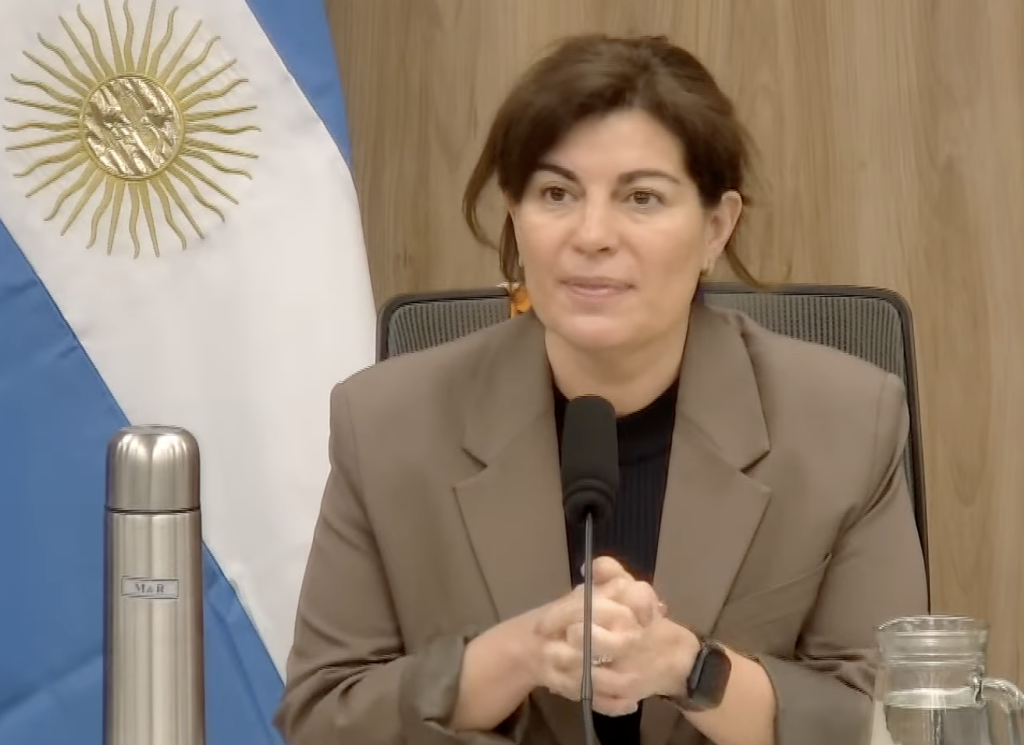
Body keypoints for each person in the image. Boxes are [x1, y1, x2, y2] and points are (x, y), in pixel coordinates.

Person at [274, 33, 928, 745]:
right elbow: (323, 717)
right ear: (515, 215)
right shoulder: (386, 423)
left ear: (716, 228)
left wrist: (690, 668)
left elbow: (896, 722)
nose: (592, 235)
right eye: (556, 194)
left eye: (642, 198)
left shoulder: (846, 424)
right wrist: (518, 654)